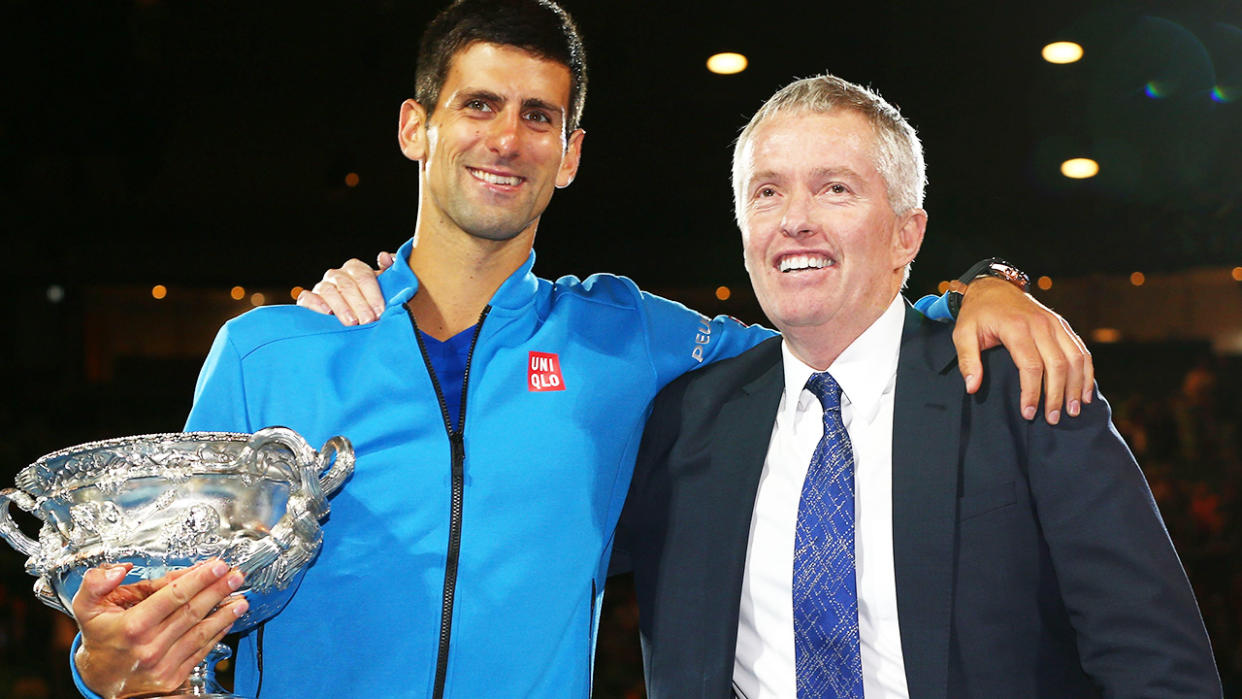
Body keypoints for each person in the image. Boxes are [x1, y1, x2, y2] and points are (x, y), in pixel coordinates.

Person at [66, 1, 1093, 697]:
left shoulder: (627, 338)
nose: (505, 139)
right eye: (477, 105)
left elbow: (833, 330)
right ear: (415, 127)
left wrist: (980, 287)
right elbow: (149, 616)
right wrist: (98, 664)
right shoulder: (268, 352)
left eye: (538, 116)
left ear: (571, 152)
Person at [614, 73, 1221, 698]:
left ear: (908, 234)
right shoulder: (685, 419)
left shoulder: (1017, 385)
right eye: (767, 192)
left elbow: (1153, 661)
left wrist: (992, 281)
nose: (795, 219)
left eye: (835, 188)